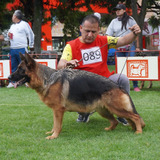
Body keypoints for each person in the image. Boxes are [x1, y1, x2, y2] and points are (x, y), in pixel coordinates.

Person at [57, 14, 141, 124]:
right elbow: (60, 65)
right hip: (84, 86)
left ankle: (123, 112)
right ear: (80, 28)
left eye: (94, 32)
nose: (90, 35)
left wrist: (134, 34)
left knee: (122, 79)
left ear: (98, 30)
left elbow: (124, 40)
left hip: (105, 80)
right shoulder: (71, 46)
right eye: (87, 31)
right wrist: (68, 63)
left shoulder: (105, 40)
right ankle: (83, 113)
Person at [106, 3, 141, 92]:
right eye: (116, 10)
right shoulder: (113, 21)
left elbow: (136, 32)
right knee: (121, 66)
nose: (117, 11)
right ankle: (121, 86)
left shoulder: (130, 20)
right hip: (119, 48)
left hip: (130, 46)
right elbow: (108, 34)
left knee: (132, 65)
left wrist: (137, 47)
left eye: (119, 9)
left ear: (124, 10)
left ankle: (135, 85)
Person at [6, 10, 34, 88]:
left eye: (13, 15)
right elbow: (7, 36)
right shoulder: (12, 26)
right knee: (13, 65)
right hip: (13, 48)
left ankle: (27, 81)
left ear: (15, 16)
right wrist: (8, 35)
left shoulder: (25, 24)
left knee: (25, 65)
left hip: (22, 48)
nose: (12, 17)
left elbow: (31, 34)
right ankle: (12, 82)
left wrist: (31, 45)